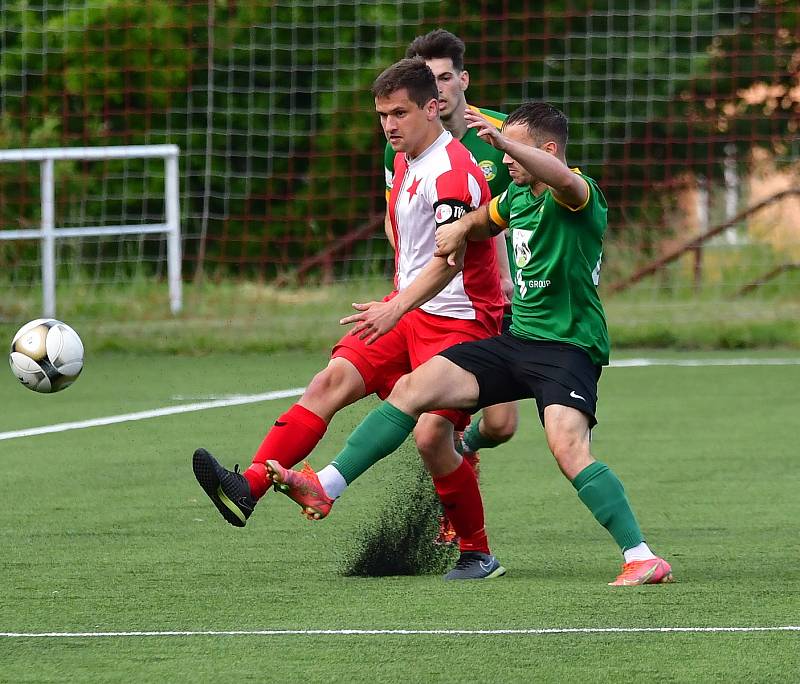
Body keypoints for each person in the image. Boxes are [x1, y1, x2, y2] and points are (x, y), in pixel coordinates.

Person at [266, 102, 674, 586]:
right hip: (516, 341)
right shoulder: (519, 198)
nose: (503, 160)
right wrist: (461, 226)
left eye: (513, 150)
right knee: (414, 389)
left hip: (567, 350)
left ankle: (642, 556)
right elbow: (487, 219)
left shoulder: (579, 195)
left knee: (568, 449)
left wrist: (502, 140)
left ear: (545, 150)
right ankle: (326, 487)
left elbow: (564, 180)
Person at [192, 57, 507, 581]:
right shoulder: (403, 155)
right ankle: (248, 486)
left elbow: (448, 264)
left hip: (461, 324)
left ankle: (477, 553)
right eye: (382, 114)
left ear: (432, 108)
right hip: (408, 310)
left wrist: (396, 305)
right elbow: (400, 224)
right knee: (330, 380)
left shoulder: (454, 174)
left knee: (432, 437)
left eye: (399, 113)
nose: (388, 124)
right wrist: (399, 297)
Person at [391, 29, 520, 544]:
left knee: (503, 426)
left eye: (445, 77)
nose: (438, 90)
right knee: (437, 417)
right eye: (429, 81)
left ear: (462, 79)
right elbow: (396, 214)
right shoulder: (403, 141)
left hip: (503, 292)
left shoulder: (498, 134)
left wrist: (513, 272)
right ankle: (458, 517)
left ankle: (461, 458)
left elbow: (525, 207)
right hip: (445, 299)